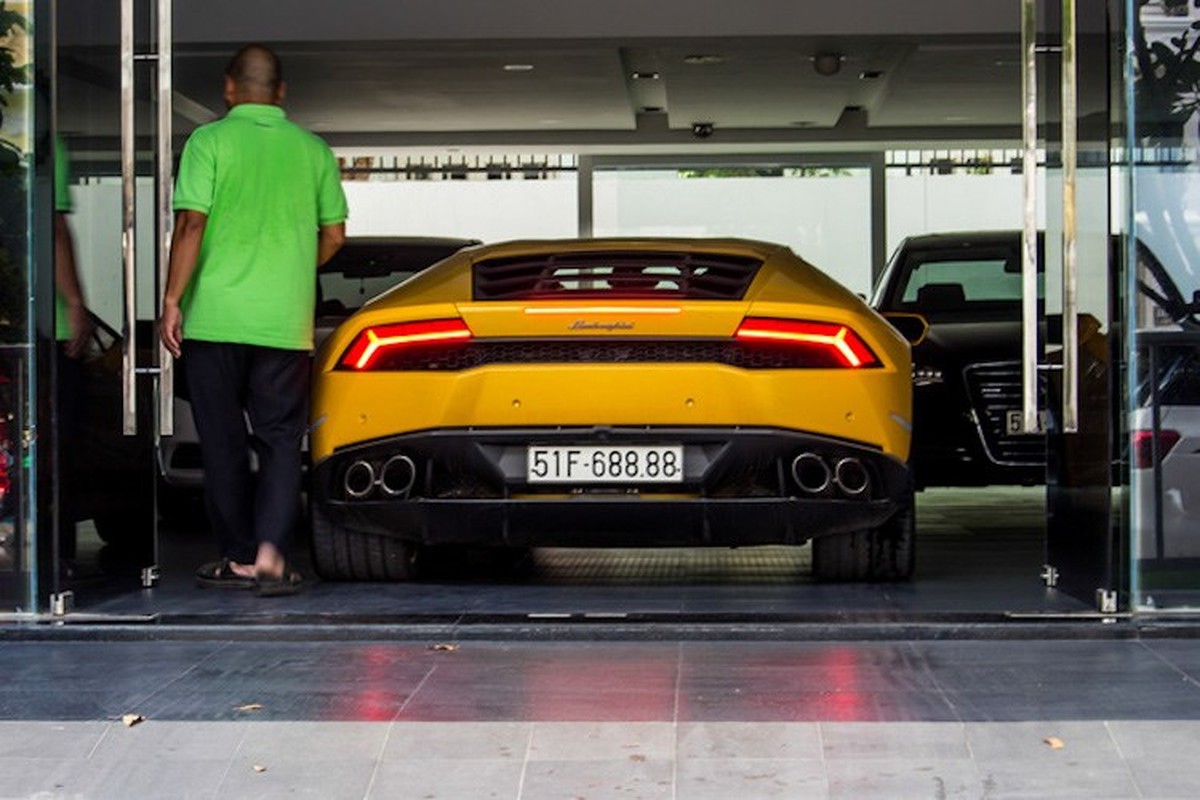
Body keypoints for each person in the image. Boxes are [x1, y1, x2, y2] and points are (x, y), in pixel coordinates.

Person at [160, 43, 347, 596]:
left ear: (228, 88)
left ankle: (238, 557)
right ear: (281, 93)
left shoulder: (209, 142)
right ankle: (270, 553)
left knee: (221, 444)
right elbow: (334, 236)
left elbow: (191, 225)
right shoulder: (312, 151)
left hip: (214, 320)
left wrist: (173, 300)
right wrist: (289, 268)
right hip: (283, 326)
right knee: (280, 441)